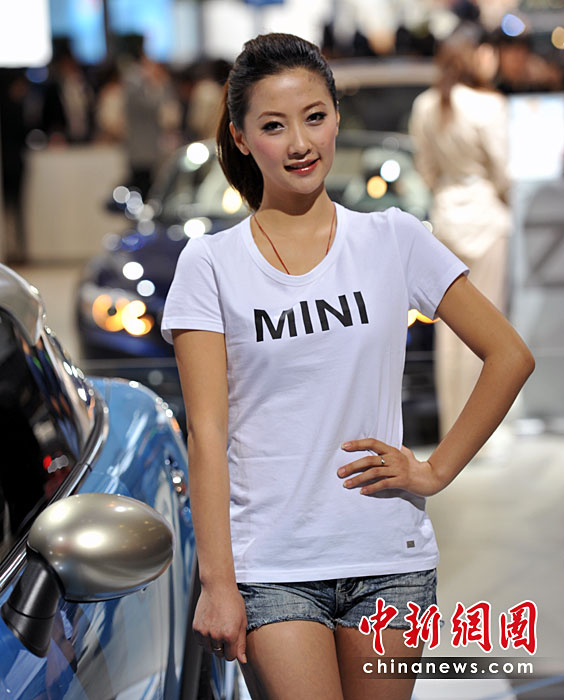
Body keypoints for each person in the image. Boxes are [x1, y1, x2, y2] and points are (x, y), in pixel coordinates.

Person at [161, 33, 534, 700]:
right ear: (241, 138)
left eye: (315, 117)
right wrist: (217, 582)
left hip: (389, 557)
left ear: (336, 116)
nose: (300, 143)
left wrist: (435, 469)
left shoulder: (393, 238)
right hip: (273, 565)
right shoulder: (210, 264)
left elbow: (510, 355)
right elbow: (206, 435)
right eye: (274, 126)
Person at [408, 24, 513, 438]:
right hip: (485, 218)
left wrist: (447, 190)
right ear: (476, 55)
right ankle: (482, 433)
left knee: (450, 334)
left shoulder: (425, 105)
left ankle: (454, 427)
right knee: (489, 329)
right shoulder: (490, 105)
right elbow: (504, 172)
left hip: (446, 218)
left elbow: (426, 169)